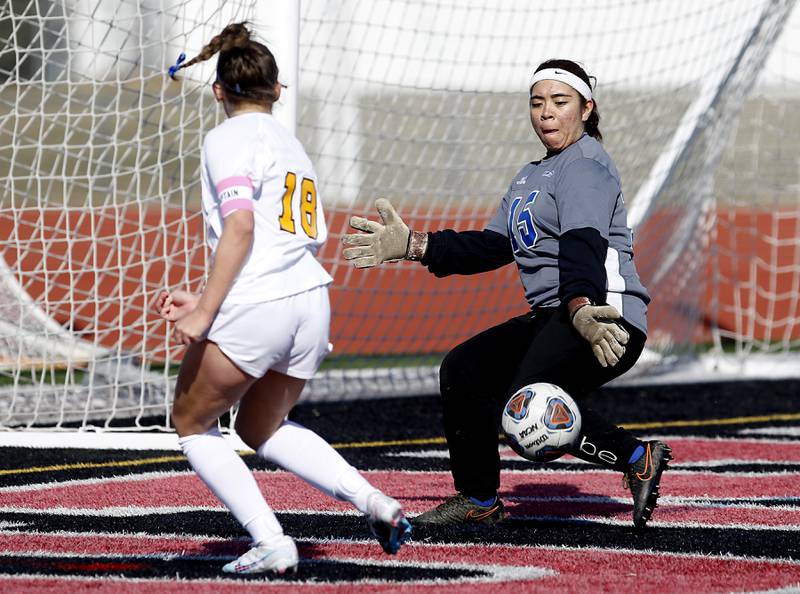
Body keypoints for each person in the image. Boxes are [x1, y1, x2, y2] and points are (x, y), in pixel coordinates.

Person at [342, 59, 671, 529]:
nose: (547, 113)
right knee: (465, 370)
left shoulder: (585, 165)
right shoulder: (529, 175)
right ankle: (479, 501)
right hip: (557, 313)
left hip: (601, 314)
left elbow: (584, 243)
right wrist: (418, 246)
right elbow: (496, 245)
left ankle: (638, 458)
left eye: (560, 102)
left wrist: (579, 307)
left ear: (586, 108)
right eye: (537, 103)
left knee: (527, 401)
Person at [158, 22, 411, 575]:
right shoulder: (290, 143)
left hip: (262, 302)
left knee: (191, 422)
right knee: (259, 428)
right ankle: (374, 501)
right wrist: (205, 297)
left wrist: (204, 311)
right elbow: (278, 237)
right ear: (278, 90)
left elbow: (242, 228)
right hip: (310, 302)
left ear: (219, 91)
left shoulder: (226, 138)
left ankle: (272, 542)